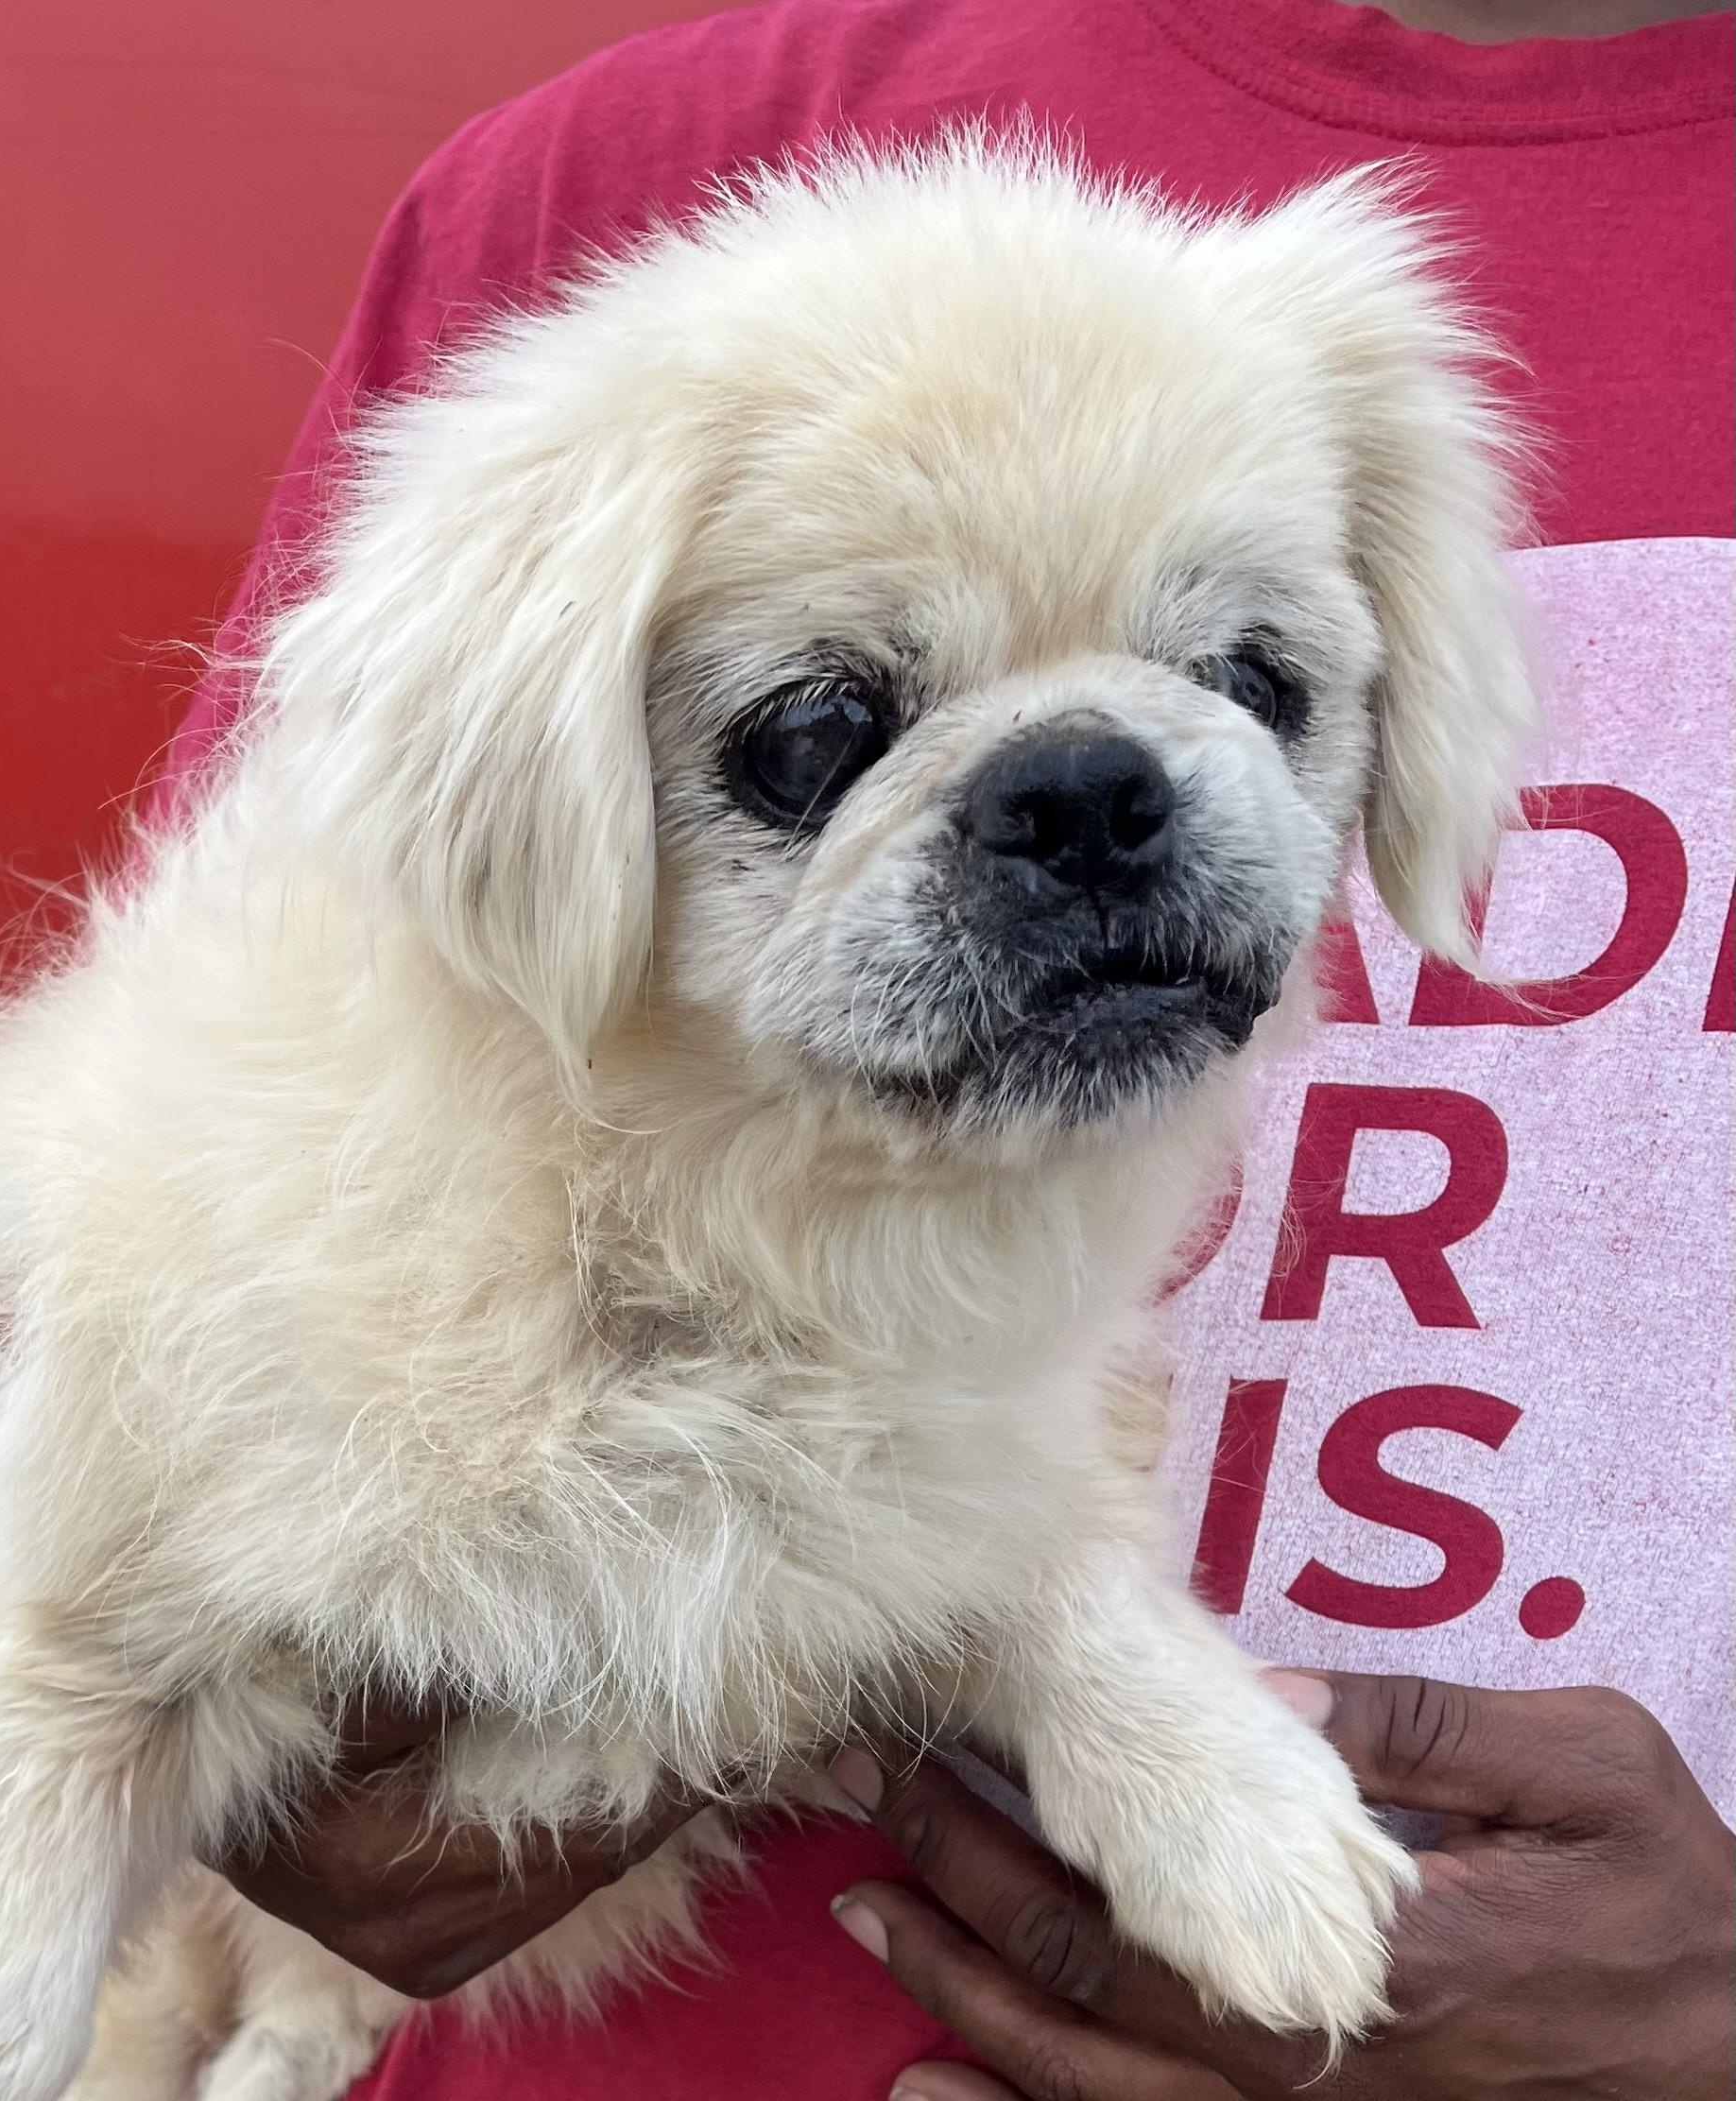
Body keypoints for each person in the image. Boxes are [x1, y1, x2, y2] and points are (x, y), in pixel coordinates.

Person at [161, 0, 1735, 2093]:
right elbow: (170, 1130)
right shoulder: (635, 189)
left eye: (1245, 673)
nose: (1086, 811)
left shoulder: (1358, 371)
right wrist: (226, 1669)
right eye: (820, 729)